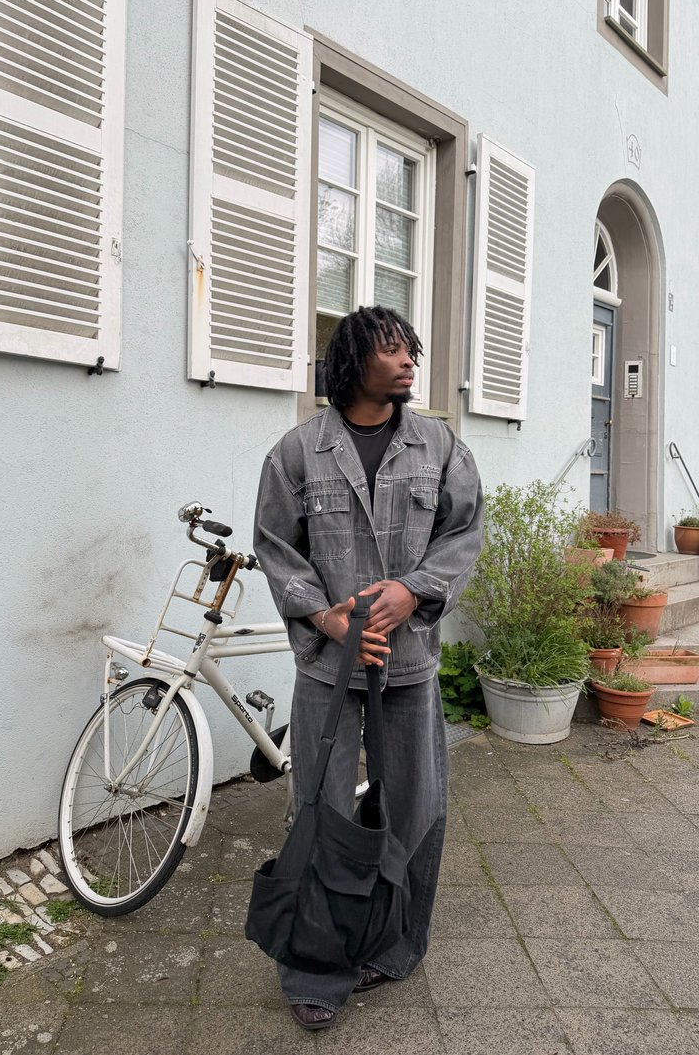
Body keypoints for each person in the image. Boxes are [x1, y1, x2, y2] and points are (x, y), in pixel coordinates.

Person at [253, 305, 484, 1031]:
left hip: (410, 666)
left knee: (416, 806)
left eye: (410, 347)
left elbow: (464, 530)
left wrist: (413, 588)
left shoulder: (439, 446)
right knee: (322, 811)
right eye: (392, 348)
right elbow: (274, 544)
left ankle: (394, 940)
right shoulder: (297, 452)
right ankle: (315, 965)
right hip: (329, 670)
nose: (409, 359)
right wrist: (326, 615)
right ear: (354, 360)